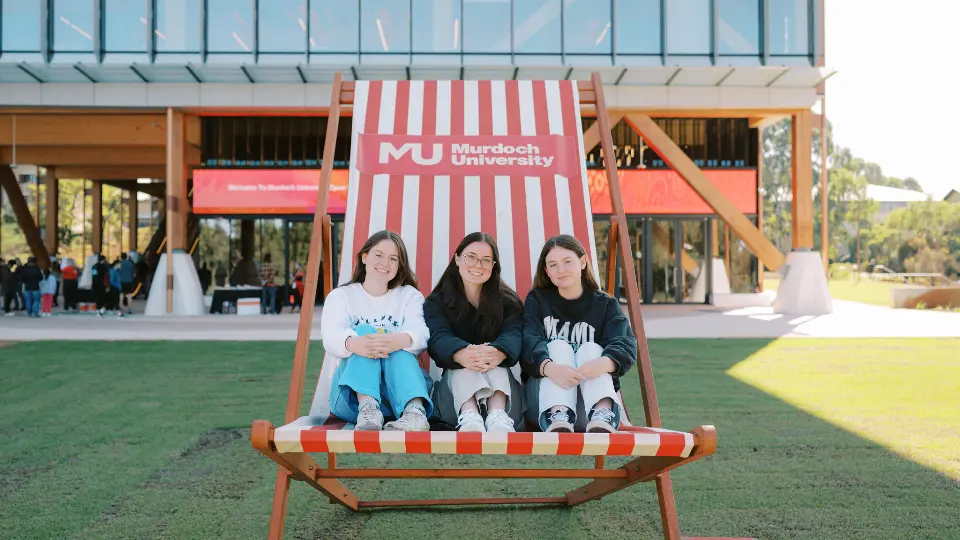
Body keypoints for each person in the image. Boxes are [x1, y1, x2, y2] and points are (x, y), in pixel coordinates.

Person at [521, 235, 638, 434]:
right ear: (547, 272)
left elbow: (625, 343)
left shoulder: (606, 305)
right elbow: (528, 341)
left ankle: (603, 413)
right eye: (553, 265)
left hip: (589, 408)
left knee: (591, 348)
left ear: (583, 262)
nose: (561, 270)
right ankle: (559, 412)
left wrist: (601, 364)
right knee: (557, 346)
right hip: (544, 406)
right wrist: (551, 369)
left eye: (567, 262)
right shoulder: (538, 300)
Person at [321, 230, 433, 432]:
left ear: (399, 266)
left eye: (393, 259)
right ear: (364, 257)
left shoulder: (409, 296)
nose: (385, 263)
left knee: (401, 342)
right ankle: (369, 407)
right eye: (378, 255)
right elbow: (330, 336)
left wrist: (398, 341)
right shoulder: (341, 297)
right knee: (363, 331)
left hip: (399, 396)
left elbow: (422, 333)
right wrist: (356, 343)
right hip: (351, 399)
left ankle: (415, 412)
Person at [423, 232, 523, 433]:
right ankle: (470, 414)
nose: (478, 265)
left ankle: (497, 414)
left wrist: (497, 352)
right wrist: (463, 354)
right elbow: (437, 337)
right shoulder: (436, 302)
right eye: (471, 257)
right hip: (453, 405)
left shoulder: (509, 302)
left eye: (486, 260)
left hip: (507, 402)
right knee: (464, 358)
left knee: (492, 355)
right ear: (457, 258)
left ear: (494, 265)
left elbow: (515, 334)